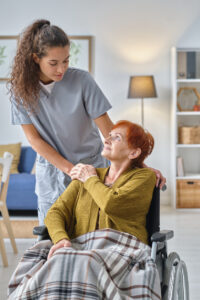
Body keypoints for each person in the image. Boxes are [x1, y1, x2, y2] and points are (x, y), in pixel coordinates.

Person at [9, 19, 166, 226]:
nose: (61, 69)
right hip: (52, 174)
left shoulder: (82, 81)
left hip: (93, 170)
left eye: (66, 60)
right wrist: (70, 169)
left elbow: (110, 131)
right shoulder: (20, 92)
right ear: (36, 58)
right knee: (51, 236)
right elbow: (35, 140)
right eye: (53, 63)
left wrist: (139, 166)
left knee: (92, 232)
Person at [45, 121, 156, 260]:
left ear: (133, 152)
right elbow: (55, 212)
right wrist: (61, 239)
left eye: (116, 137)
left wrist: (90, 178)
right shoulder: (86, 175)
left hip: (124, 251)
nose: (107, 140)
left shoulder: (144, 177)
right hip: (82, 249)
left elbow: (112, 204)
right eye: (109, 135)